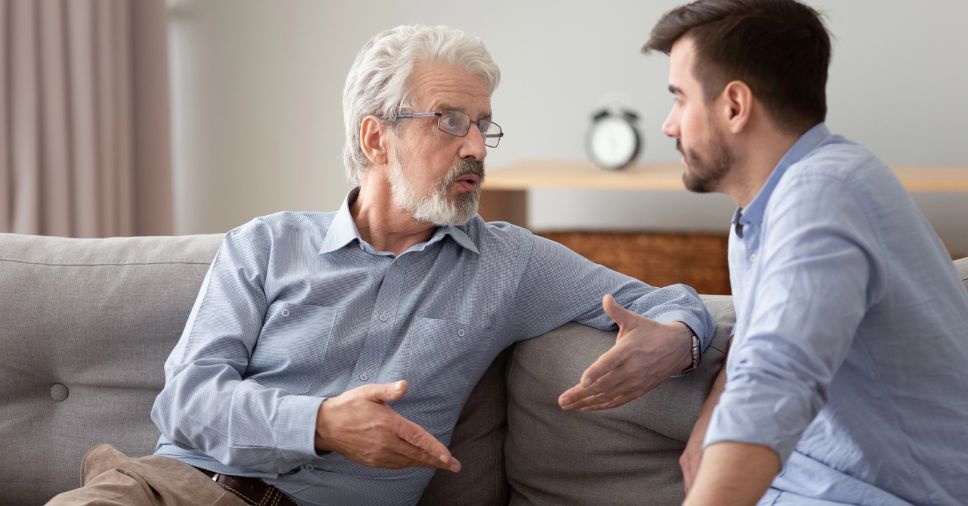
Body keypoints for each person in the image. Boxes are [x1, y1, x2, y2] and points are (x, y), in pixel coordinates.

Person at [48, 24, 714, 506]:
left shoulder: (509, 262)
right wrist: (321, 425)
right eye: (449, 121)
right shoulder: (265, 245)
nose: (478, 147)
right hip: (170, 489)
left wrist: (679, 341)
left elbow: (669, 301)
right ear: (376, 137)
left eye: (483, 124)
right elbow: (185, 404)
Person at [641, 0, 968, 504]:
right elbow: (764, 343)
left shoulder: (823, 194)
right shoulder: (761, 213)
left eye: (680, 99)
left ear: (734, 106)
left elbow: (775, 382)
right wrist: (709, 422)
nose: (670, 125)